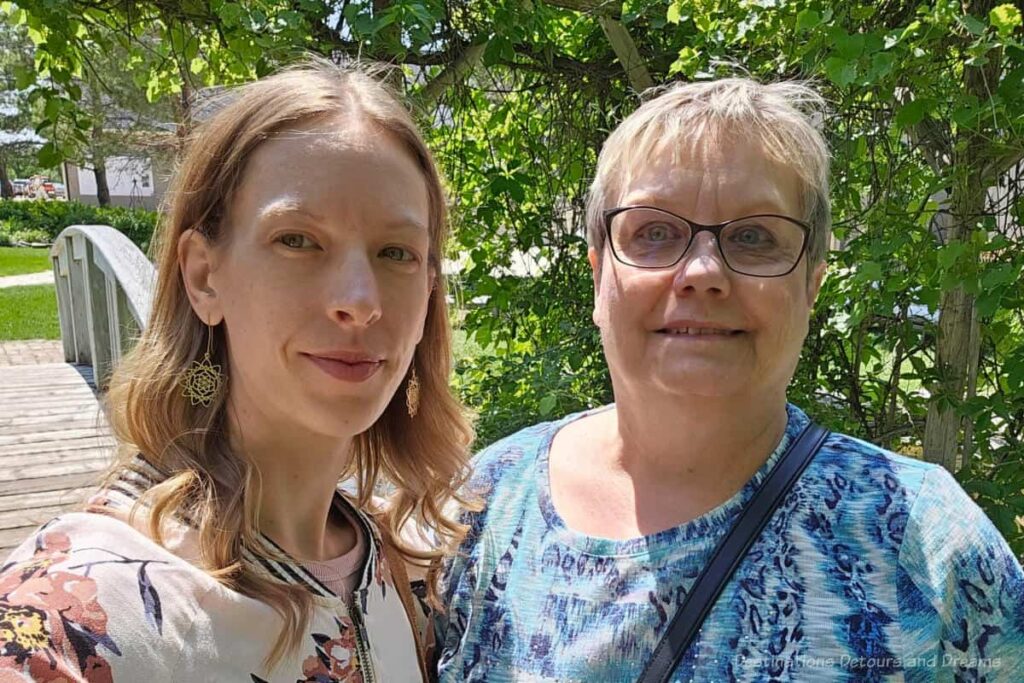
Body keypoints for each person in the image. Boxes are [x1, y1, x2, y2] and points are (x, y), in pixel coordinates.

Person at [436, 79, 1024, 681]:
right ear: (598, 276)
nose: (702, 273)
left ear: (811, 287)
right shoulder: (482, 508)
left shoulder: (923, 540)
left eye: (753, 237)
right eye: (655, 232)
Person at [0, 59, 472, 682]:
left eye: (396, 253)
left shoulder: (391, 560)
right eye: (298, 240)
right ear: (203, 275)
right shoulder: (72, 619)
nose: (361, 300)